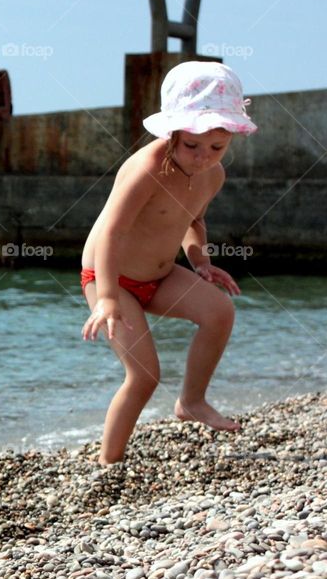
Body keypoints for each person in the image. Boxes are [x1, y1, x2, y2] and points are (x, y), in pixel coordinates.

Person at [80, 61, 258, 465]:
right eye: (192, 146)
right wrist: (106, 297)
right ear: (173, 131)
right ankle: (109, 462)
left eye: (217, 148)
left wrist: (200, 261)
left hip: (159, 276)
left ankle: (192, 401)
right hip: (111, 279)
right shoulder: (147, 169)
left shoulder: (212, 176)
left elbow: (192, 220)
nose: (202, 158)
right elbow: (113, 232)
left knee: (219, 312)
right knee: (144, 375)